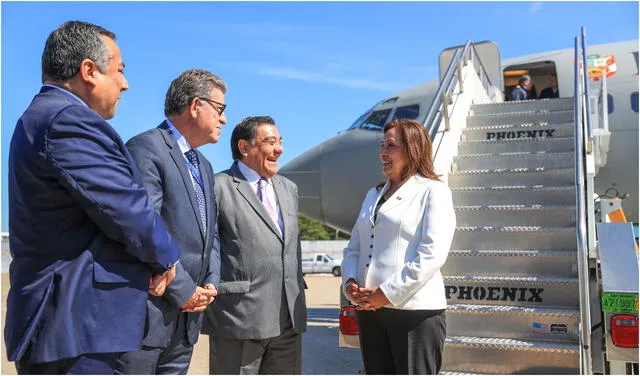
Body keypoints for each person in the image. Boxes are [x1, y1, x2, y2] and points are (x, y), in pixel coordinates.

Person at [5, 21, 180, 374]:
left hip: (75, 325)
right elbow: (127, 209)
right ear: (89, 70)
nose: (125, 84)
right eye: (119, 71)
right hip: (75, 324)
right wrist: (166, 258)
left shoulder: (47, 117)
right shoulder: (68, 120)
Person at [115, 69, 226, 374]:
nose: (224, 120)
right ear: (195, 106)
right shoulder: (146, 148)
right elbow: (143, 227)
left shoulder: (202, 164)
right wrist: (184, 289)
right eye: (219, 109)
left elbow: (210, 233)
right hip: (149, 317)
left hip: (188, 318)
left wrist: (210, 283)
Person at [341, 119, 456, 375]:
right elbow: (354, 249)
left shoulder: (433, 191)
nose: (382, 152)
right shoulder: (373, 194)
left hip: (413, 312)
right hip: (370, 311)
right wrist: (350, 283)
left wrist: (386, 293)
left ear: (413, 149)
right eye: (382, 145)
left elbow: (432, 254)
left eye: (391, 146)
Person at [203, 116, 307, 374]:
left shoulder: (289, 188)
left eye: (280, 142)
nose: (279, 149)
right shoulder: (218, 186)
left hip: (288, 318)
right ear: (244, 147)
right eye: (270, 141)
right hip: (238, 317)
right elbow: (209, 246)